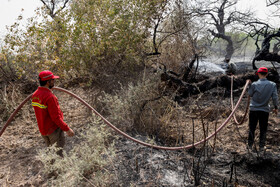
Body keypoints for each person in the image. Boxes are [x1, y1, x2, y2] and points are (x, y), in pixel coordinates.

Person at [32, 70, 74, 156]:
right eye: (53, 80)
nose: (54, 81)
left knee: (51, 153)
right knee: (58, 155)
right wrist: (67, 129)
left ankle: (51, 169)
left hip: (43, 130)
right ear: (48, 82)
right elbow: (56, 117)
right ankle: (58, 169)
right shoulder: (50, 97)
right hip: (53, 130)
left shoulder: (35, 94)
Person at [247, 67, 278, 152]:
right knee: (263, 129)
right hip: (264, 110)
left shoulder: (254, 84)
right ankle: (261, 146)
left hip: (253, 110)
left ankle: (249, 146)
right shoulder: (272, 85)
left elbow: (250, 94)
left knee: (252, 128)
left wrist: (249, 85)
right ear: (267, 74)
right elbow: (275, 97)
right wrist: (276, 107)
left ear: (258, 74)